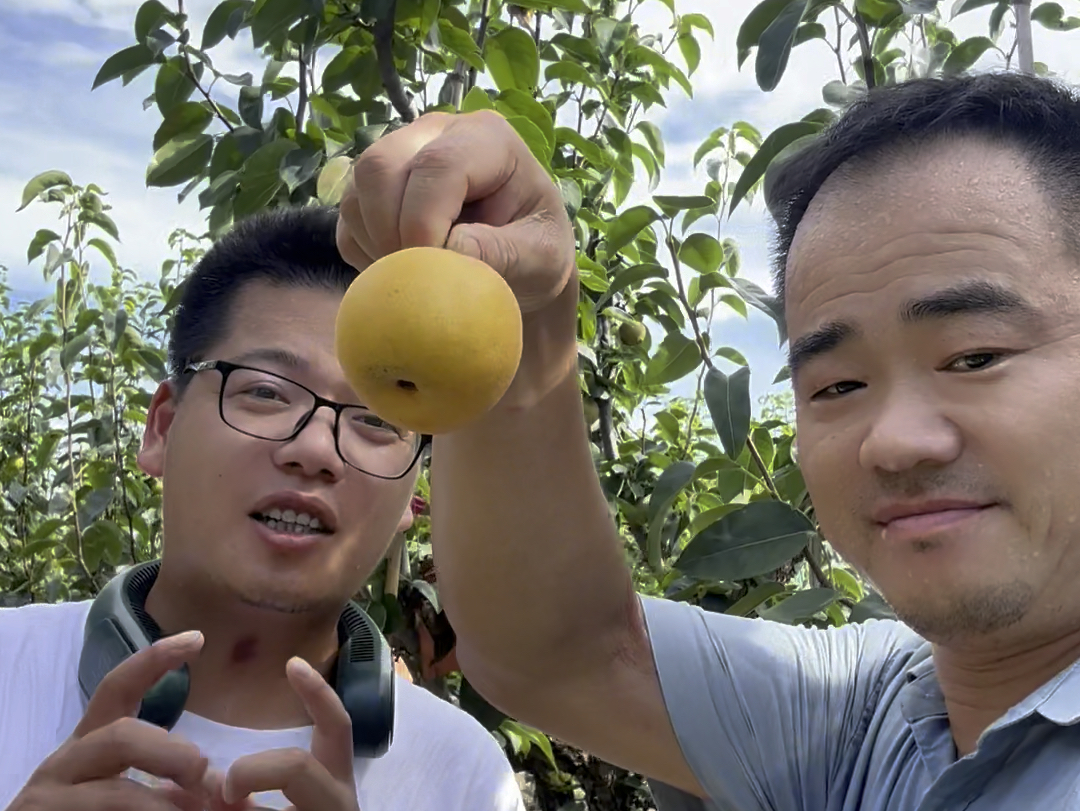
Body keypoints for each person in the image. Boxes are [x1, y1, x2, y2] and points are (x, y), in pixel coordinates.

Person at [334, 69, 1080, 810]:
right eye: (838, 386)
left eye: (975, 356)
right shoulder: (866, 717)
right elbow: (564, 650)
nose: (895, 440)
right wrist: (525, 311)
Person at [0, 206, 525, 811]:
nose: (315, 449)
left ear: (414, 497)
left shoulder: (462, 776)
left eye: (378, 420)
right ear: (162, 431)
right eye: (266, 391)